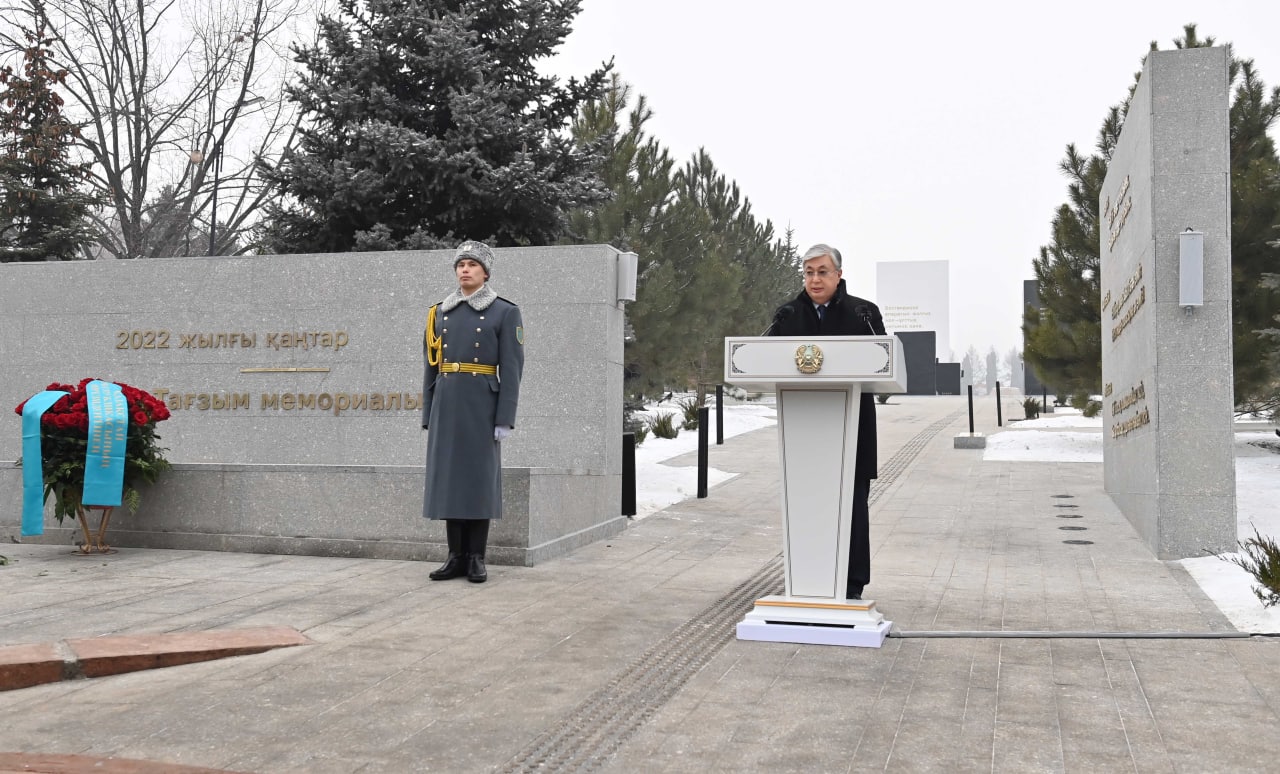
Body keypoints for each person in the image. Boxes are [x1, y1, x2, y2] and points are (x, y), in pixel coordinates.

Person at [767, 243, 886, 600]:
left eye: (822, 271)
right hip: (804, 433)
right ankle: (806, 582)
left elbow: (883, 360)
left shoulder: (863, 312)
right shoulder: (787, 315)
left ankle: (850, 586)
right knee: (807, 504)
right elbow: (767, 356)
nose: (814, 279)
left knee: (851, 506)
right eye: (808, 272)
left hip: (851, 428)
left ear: (838, 274)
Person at [422, 240, 524, 583]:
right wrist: (428, 412)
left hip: (482, 404)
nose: (464, 269)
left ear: (485, 272)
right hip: (447, 403)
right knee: (451, 480)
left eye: (472, 265)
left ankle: (477, 557)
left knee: (478, 481)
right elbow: (430, 367)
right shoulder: (439, 313)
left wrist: (504, 417)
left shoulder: (504, 312)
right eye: (460, 264)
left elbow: (511, 369)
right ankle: (455, 556)